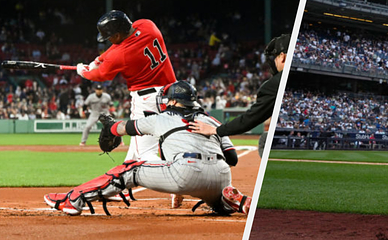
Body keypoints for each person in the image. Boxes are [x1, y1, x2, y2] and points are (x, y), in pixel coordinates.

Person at [43, 81, 251, 216]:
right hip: (222, 176)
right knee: (216, 204)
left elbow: (126, 128)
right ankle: (228, 200)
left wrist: (110, 127)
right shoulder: (211, 120)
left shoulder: (161, 118)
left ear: (173, 100)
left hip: (186, 172)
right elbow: (232, 158)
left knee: (130, 168)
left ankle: (73, 199)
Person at [76, 10, 180, 206]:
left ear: (116, 35)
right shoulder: (147, 25)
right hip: (172, 94)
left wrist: (84, 71)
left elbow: (101, 75)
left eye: (109, 37)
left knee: (144, 155)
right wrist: (99, 59)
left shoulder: (120, 54)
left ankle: (180, 182)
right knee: (134, 153)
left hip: (147, 100)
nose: (108, 41)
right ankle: (116, 188)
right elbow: (113, 53)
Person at [189, 34, 290, 158]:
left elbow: (251, 118)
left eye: (274, 58)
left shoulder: (275, 83)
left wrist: (216, 130)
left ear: (282, 56)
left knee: (265, 140)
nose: (272, 63)